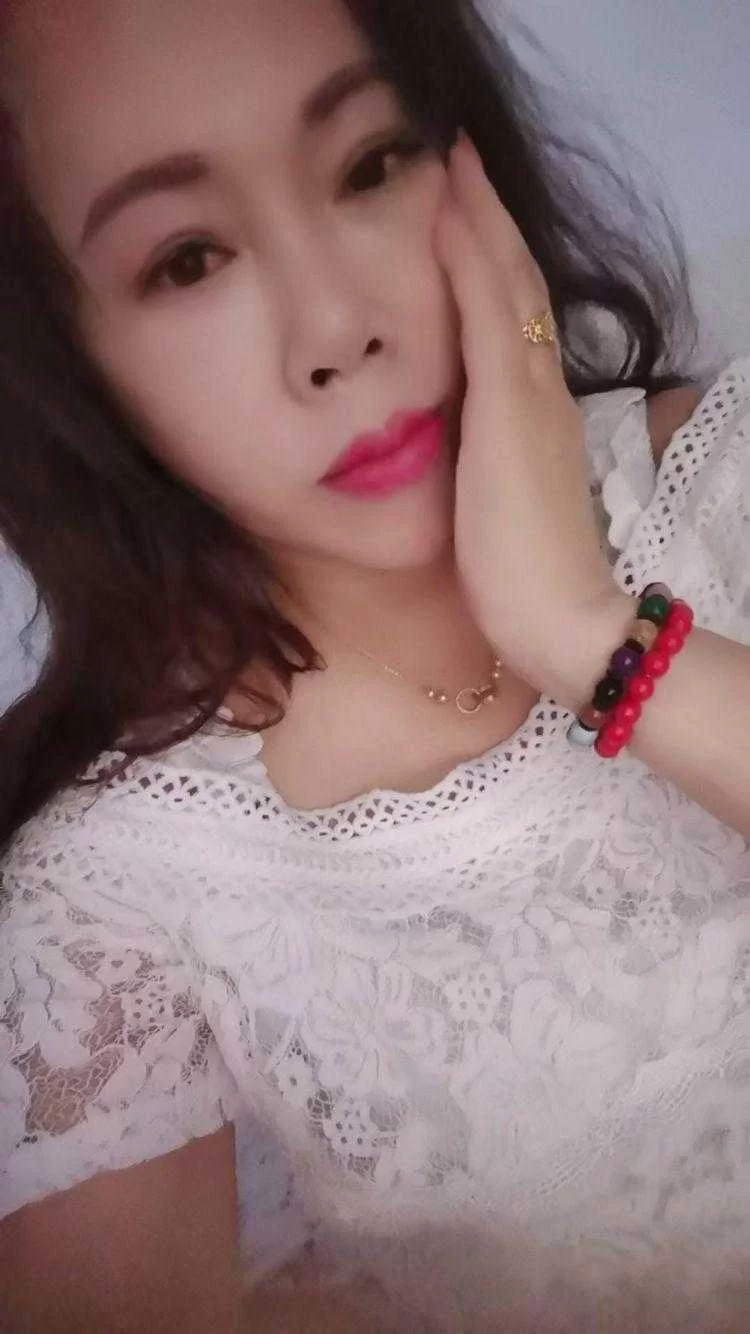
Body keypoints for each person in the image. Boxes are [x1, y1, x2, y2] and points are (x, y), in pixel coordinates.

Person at [0, 0, 748, 1329]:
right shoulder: (111, 901)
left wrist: (585, 633)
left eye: (365, 165)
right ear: (68, 365)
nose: (335, 329)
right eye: (187, 259)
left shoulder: (723, 476)